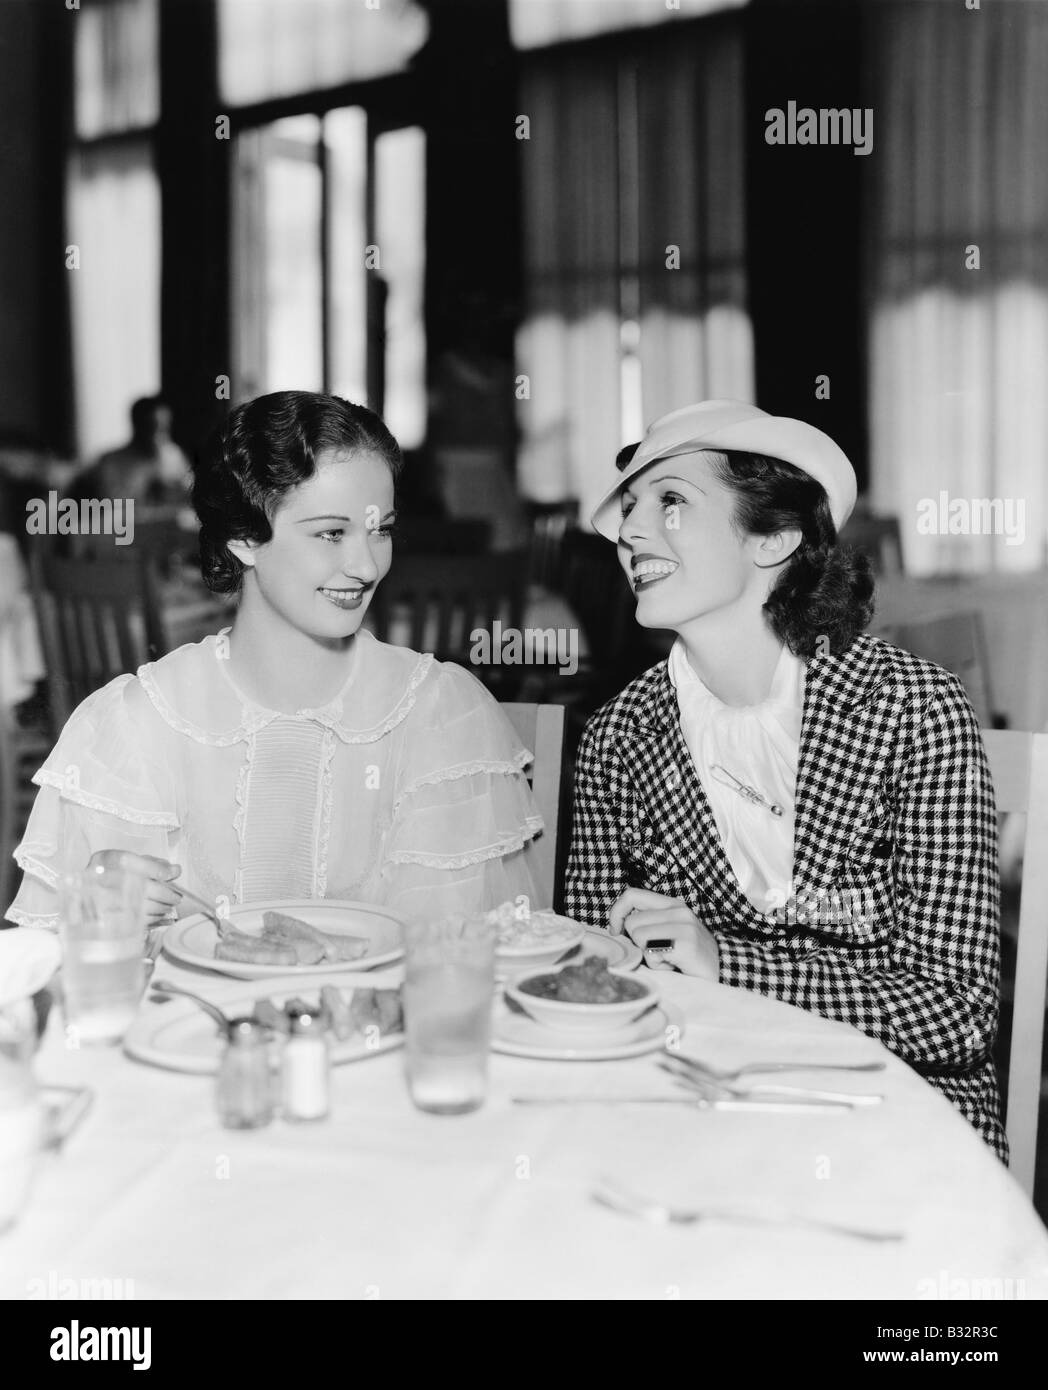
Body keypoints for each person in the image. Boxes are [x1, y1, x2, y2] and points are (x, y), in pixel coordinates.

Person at [564, 399, 1007, 1160]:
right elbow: (591, 982)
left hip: (896, 1116)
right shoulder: (616, 736)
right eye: (631, 510)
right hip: (698, 1109)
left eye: (670, 502)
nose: (631, 532)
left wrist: (725, 966)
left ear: (773, 537)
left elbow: (959, 1012)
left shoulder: (912, 707)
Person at [7, 392, 543, 929]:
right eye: (332, 533)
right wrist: (98, 910)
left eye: (381, 529)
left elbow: (461, 966)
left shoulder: (441, 716)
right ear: (243, 537)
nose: (366, 565)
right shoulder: (136, 724)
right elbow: (57, 981)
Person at [76, 396, 191, 511]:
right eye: (151, 427)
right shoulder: (112, 462)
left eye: (163, 428)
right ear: (137, 426)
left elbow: (190, 496)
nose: (157, 436)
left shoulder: (174, 456)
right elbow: (110, 506)